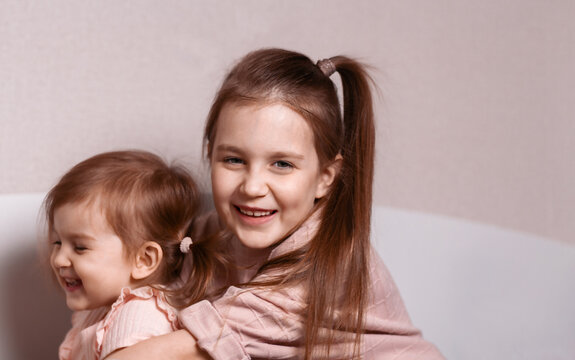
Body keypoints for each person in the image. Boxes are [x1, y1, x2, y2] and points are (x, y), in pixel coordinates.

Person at [109, 48, 445, 359]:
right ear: (210, 154)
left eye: (282, 164)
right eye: (234, 160)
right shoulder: (209, 233)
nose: (253, 187)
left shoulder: (322, 268)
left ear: (325, 177)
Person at [44, 150, 217, 359]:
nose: (59, 259)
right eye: (57, 242)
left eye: (80, 247)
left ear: (144, 260)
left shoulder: (138, 318)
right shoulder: (103, 302)